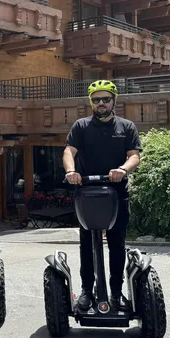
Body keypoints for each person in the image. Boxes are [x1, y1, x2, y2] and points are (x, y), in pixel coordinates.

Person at [62, 79, 142, 311]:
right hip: (87, 193)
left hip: (117, 192)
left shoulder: (126, 127)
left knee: (117, 244)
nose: (101, 103)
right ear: (91, 103)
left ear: (113, 100)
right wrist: (71, 170)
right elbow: (69, 151)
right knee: (87, 243)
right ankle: (87, 291)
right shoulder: (81, 126)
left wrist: (123, 170)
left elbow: (134, 155)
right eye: (96, 100)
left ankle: (116, 293)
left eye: (105, 99)